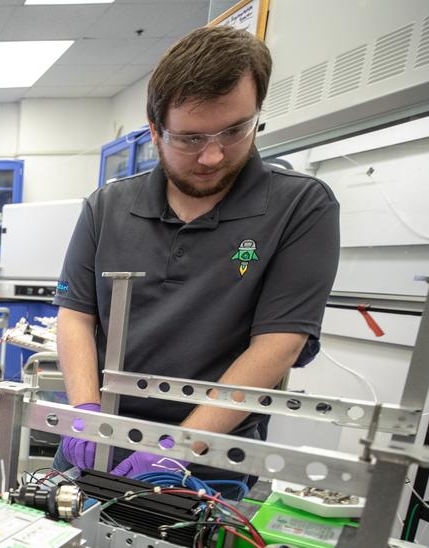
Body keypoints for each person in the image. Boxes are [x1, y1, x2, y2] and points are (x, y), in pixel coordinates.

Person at [54, 25, 340, 484]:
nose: (211, 157)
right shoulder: (107, 207)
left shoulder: (301, 208)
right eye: (190, 139)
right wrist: (85, 413)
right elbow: (75, 315)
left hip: (212, 460)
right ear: (154, 130)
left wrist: (179, 448)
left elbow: (279, 344)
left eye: (234, 131)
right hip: (102, 439)